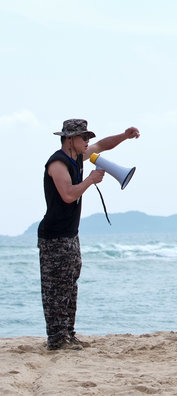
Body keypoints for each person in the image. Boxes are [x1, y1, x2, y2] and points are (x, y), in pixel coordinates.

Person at [37, 119, 140, 351]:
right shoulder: (58, 163)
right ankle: (56, 339)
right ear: (69, 139)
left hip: (71, 235)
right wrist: (90, 180)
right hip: (54, 237)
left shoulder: (78, 157)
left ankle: (68, 335)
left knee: (70, 285)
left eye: (87, 137)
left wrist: (124, 136)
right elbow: (67, 195)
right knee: (56, 288)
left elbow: (103, 145)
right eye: (83, 137)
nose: (88, 142)